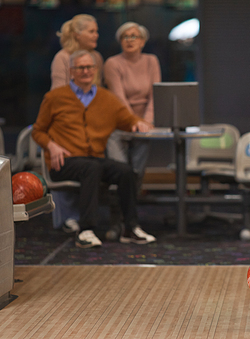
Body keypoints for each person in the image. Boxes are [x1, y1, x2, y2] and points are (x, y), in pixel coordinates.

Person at [32, 50, 157, 248]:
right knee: (91, 168)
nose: (86, 71)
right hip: (64, 161)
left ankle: (130, 228)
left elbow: (127, 120)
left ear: (95, 71)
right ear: (72, 71)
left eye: (89, 67)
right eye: (81, 67)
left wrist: (138, 123)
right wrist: (51, 145)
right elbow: (37, 131)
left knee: (125, 172)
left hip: (93, 159)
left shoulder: (106, 98)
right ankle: (85, 230)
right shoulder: (55, 97)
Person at [50, 14, 103, 233]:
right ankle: (67, 218)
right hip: (66, 123)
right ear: (77, 34)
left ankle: (91, 217)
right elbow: (57, 96)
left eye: (96, 31)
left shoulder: (97, 57)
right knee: (68, 161)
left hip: (91, 125)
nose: (96, 35)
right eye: (91, 31)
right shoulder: (62, 58)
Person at [104, 22, 161, 182]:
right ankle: (117, 203)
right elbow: (119, 97)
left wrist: (146, 122)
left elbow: (154, 95)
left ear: (142, 41)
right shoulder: (112, 63)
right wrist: (134, 121)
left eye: (134, 36)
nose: (130, 40)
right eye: (125, 37)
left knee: (137, 171)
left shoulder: (151, 61)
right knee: (121, 171)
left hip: (144, 123)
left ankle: (132, 204)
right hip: (119, 122)